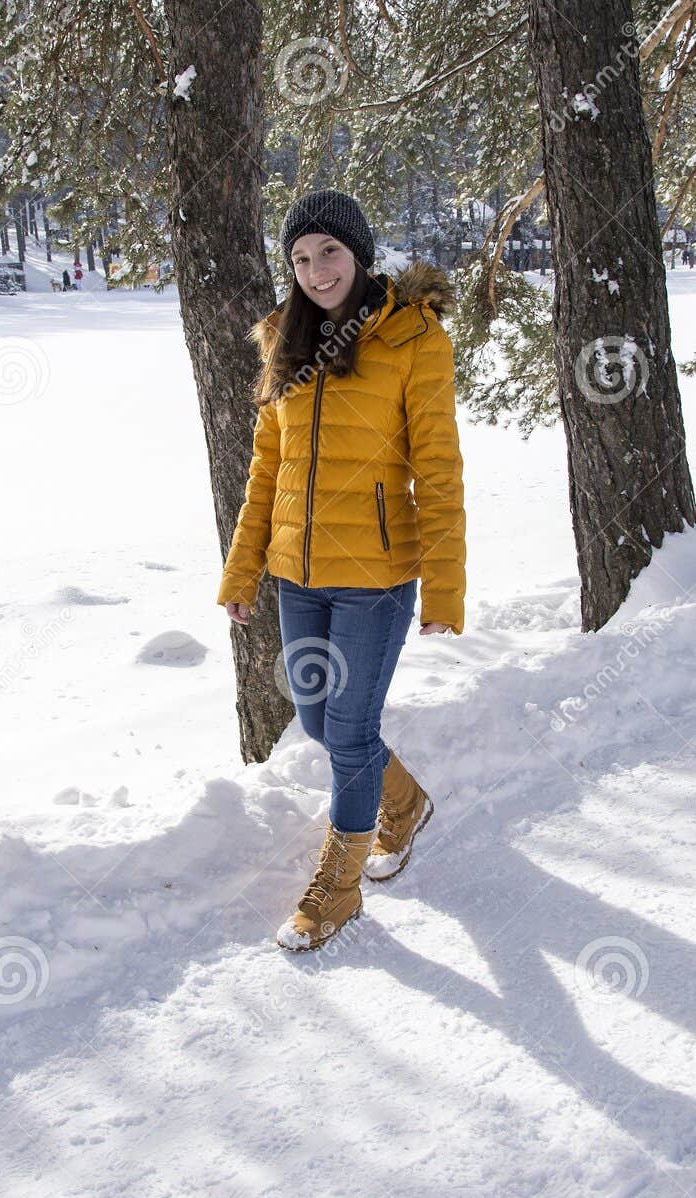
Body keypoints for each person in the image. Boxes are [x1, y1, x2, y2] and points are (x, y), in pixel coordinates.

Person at [216, 189, 466, 952]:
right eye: (300, 258)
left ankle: (339, 888)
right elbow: (267, 470)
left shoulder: (412, 340)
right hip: (298, 572)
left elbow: (440, 471)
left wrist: (446, 584)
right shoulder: (282, 343)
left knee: (350, 731)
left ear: (358, 253)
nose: (316, 270)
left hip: (378, 574)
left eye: (329, 252)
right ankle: (404, 802)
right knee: (322, 721)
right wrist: (242, 569)